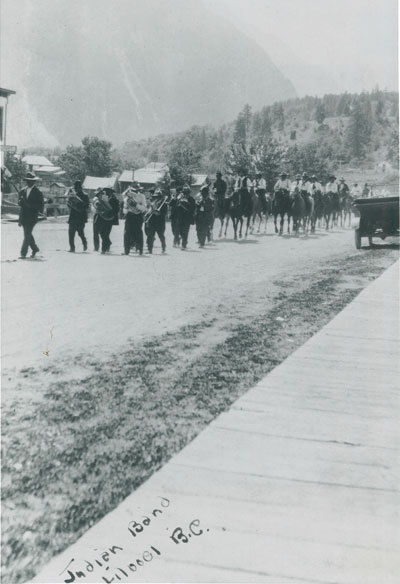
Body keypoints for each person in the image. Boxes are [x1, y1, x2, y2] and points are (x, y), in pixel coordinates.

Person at [18, 171, 44, 259]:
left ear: (34, 181)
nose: (29, 182)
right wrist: (20, 202)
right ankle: (35, 248)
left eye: (31, 180)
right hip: (23, 216)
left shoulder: (38, 192)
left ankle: (23, 253)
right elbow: (19, 204)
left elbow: (40, 206)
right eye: (28, 180)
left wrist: (29, 206)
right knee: (27, 234)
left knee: (27, 234)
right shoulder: (22, 191)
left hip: (32, 217)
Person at [92, 188, 119, 254]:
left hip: (110, 219)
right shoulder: (102, 199)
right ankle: (107, 244)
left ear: (111, 192)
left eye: (108, 191)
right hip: (103, 218)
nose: (106, 193)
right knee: (102, 233)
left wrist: (109, 212)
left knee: (106, 234)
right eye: (105, 191)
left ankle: (104, 249)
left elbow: (116, 210)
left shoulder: (114, 199)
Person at [122, 185, 147, 255]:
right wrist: (126, 208)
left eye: (135, 190)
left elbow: (144, 208)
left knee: (138, 233)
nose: (133, 192)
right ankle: (126, 251)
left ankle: (140, 250)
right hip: (129, 216)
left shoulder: (142, 196)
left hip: (138, 216)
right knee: (127, 233)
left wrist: (136, 205)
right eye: (132, 190)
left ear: (138, 190)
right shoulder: (127, 197)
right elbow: (124, 211)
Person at [67, 180, 89, 252]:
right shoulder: (73, 195)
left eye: (77, 188)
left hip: (80, 216)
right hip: (73, 216)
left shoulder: (85, 195)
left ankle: (84, 242)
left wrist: (79, 205)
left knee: (80, 232)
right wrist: (70, 203)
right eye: (75, 188)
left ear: (80, 188)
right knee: (71, 233)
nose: (76, 189)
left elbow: (86, 206)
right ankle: (72, 248)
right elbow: (69, 204)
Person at [145, 189, 167, 254]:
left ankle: (163, 247)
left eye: (158, 196)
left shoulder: (164, 204)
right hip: (152, 222)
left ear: (161, 197)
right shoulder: (154, 202)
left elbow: (160, 214)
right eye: (156, 197)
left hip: (160, 222)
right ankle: (150, 250)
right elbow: (149, 212)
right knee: (150, 236)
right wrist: (149, 210)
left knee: (161, 236)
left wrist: (153, 209)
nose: (156, 198)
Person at [176, 184, 195, 250]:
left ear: (189, 193)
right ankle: (184, 240)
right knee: (180, 231)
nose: (185, 194)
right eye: (184, 192)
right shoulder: (180, 198)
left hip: (187, 218)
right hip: (180, 218)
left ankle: (184, 244)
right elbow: (176, 207)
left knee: (185, 231)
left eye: (187, 192)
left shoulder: (191, 199)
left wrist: (186, 202)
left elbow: (193, 208)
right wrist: (179, 202)